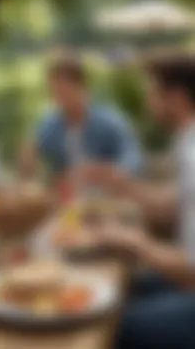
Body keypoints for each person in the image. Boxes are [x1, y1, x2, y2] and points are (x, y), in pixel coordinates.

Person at [78, 54, 195, 349]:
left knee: (118, 325)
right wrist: (119, 182)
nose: (147, 102)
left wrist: (134, 241)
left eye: (152, 93)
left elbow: (192, 267)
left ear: (176, 97)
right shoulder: (187, 140)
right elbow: (170, 206)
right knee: (124, 287)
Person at [19, 49, 142, 184]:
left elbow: (134, 159)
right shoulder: (50, 124)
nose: (59, 98)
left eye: (63, 90)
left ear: (82, 87)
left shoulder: (109, 121)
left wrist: (109, 172)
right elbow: (32, 158)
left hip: (106, 197)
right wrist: (28, 158)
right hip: (67, 199)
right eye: (54, 92)